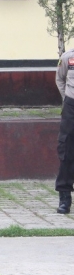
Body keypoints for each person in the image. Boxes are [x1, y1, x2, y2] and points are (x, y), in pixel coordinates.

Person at [54, 48, 74, 214]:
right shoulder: (68, 57)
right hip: (71, 106)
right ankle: (65, 197)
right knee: (66, 149)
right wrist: (66, 100)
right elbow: (60, 79)